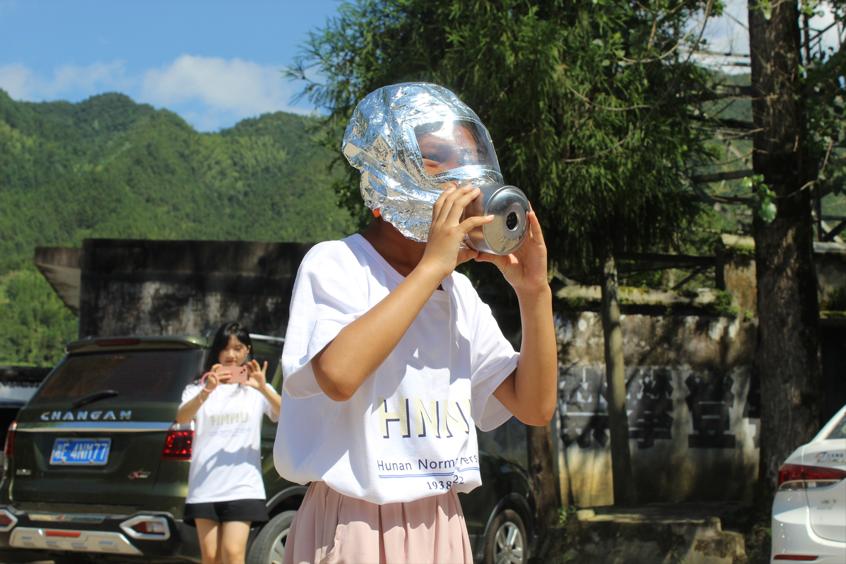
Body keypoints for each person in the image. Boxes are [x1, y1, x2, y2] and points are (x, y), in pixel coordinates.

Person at [274, 83, 558, 564]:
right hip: (355, 521)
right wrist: (431, 268)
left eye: (468, 160)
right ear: (390, 170)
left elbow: (535, 406)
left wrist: (534, 293)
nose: (462, 179)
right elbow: (338, 375)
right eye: (437, 160)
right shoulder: (338, 263)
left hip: (442, 521)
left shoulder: (458, 294)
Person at [176, 321, 282, 564]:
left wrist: (263, 388)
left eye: (238, 348)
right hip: (205, 485)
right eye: (225, 348)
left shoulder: (256, 389)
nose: (231, 355)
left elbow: (285, 414)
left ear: (247, 350)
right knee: (210, 557)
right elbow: (182, 417)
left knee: (233, 554)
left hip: (243, 485)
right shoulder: (198, 388)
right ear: (217, 351)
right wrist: (207, 390)